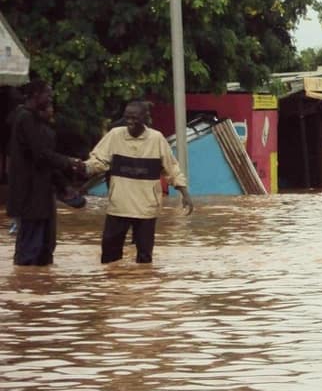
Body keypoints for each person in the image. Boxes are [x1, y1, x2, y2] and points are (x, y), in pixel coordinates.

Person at [83, 100, 194, 264]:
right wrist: (82, 167)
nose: (130, 122)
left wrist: (185, 193)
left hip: (146, 209)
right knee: (109, 257)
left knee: (144, 259)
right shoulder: (115, 135)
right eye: (127, 117)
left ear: (145, 118)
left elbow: (172, 169)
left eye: (134, 118)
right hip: (119, 206)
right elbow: (98, 160)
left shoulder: (157, 139)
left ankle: (143, 281)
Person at [6, 80, 86, 265]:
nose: (51, 99)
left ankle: (36, 280)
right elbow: (41, 154)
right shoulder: (25, 118)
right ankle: (26, 280)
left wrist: (64, 185)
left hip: (41, 192)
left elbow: (45, 160)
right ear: (36, 95)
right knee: (30, 249)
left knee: (45, 246)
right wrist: (69, 162)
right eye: (48, 95)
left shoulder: (36, 122)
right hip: (29, 193)